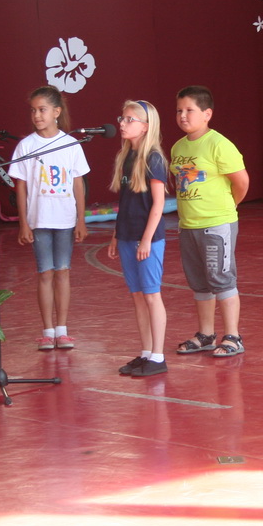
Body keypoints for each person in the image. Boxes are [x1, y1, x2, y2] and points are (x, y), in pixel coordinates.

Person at [8, 86, 89, 350]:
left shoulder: (71, 144)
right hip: (40, 220)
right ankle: (47, 331)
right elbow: (20, 186)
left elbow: (78, 184)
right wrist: (23, 222)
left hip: (65, 220)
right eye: (33, 110)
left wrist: (80, 219)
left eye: (42, 110)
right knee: (45, 273)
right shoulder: (26, 146)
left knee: (63, 271)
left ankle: (62, 330)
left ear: (56, 112)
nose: (37, 115)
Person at [170, 85, 249, 357]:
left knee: (221, 278)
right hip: (188, 225)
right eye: (179, 110)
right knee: (200, 282)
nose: (183, 116)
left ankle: (233, 336)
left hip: (216, 224)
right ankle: (205, 335)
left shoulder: (219, 144)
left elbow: (241, 182)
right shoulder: (178, 147)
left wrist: (228, 207)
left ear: (207, 114)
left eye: (189, 110)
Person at [108, 100, 170, 377]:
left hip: (147, 239)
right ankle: (146, 352)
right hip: (126, 235)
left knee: (152, 295)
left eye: (129, 120)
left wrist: (146, 240)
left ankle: (158, 356)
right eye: (122, 119)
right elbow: (125, 203)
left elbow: (158, 205)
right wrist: (116, 234)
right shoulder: (126, 157)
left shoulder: (153, 158)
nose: (122, 124)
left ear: (145, 127)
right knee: (137, 296)